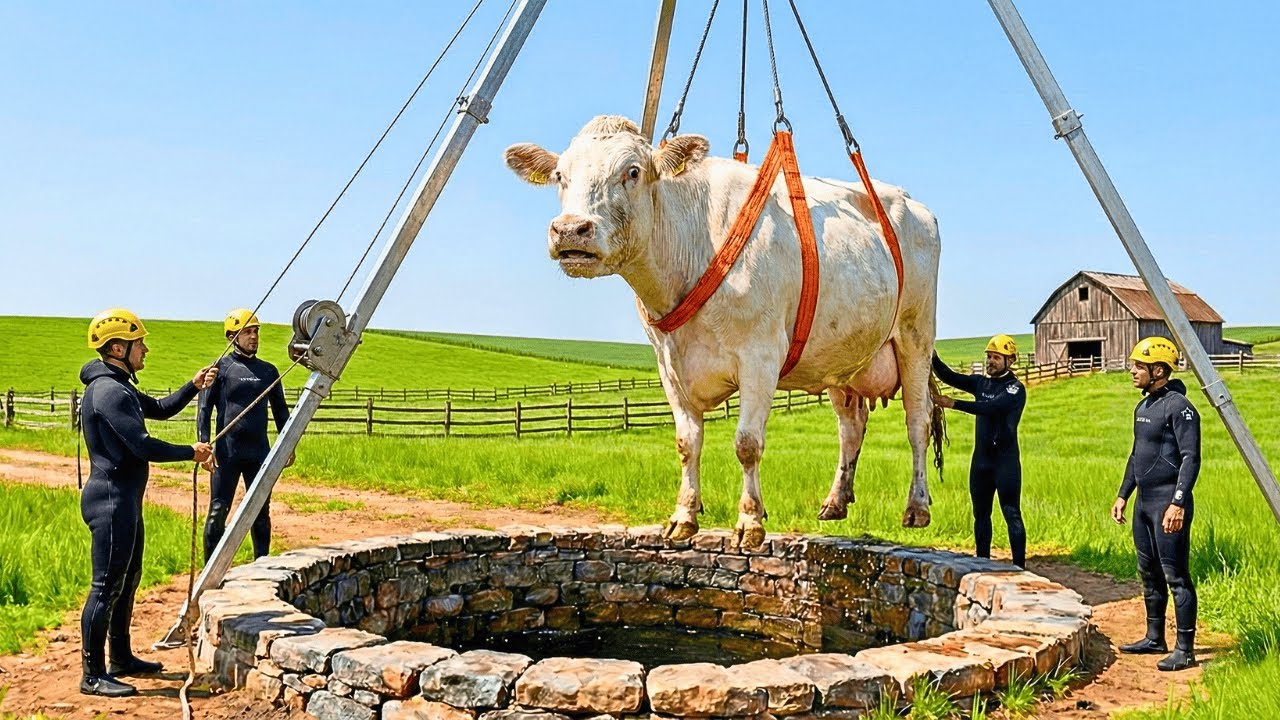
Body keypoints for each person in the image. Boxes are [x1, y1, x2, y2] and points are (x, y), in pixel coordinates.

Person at [79, 308, 216, 697]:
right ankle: (92, 674)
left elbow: (160, 408)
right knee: (105, 586)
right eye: (140, 343)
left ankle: (121, 657)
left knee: (128, 580)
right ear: (118, 348)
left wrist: (193, 386)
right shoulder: (108, 391)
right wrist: (191, 452)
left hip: (125, 501)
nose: (146, 350)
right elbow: (142, 445)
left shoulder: (119, 386)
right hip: (110, 502)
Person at [1111, 337, 1200, 672]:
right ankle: (1154, 637)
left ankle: (1185, 650)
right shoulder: (1143, 406)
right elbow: (1137, 455)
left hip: (1168, 503)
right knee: (1148, 572)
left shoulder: (1180, 407)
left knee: (1175, 575)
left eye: (1139, 366)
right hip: (1144, 504)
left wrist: (1178, 503)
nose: (1132, 371)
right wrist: (1123, 494)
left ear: (1159, 370)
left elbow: (1191, 458)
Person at [197, 308, 291, 563]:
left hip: (259, 452)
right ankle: (210, 572)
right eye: (247, 332)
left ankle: (261, 565)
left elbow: (281, 412)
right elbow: (204, 409)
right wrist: (204, 445)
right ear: (232, 337)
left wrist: (289, 445)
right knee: (218, 511)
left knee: (260, 512)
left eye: (256, 331)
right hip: (226, 454)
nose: (253, 337)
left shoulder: (269, 371)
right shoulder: (220, 369)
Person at [930, 334, 1028, 568]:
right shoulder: (980, 383)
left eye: (996, 357)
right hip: (981, 462)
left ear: (1010, 360)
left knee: (1011, 513)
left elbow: (992, 408)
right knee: (981, 515)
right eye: (989, 356)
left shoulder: (1015, 389)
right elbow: (948, 376)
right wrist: (929, 352)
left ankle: (1020, 567)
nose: (991, 361)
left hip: (1005, 463)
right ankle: (983, 563)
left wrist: (954, 404)